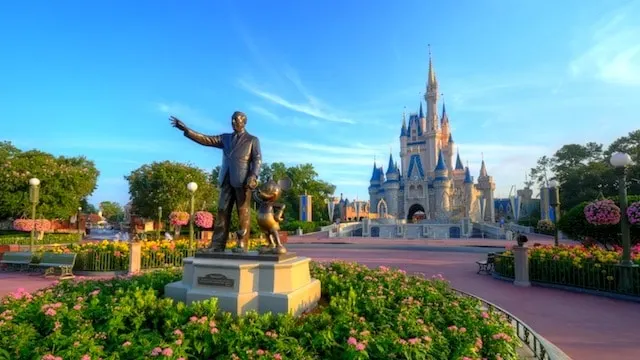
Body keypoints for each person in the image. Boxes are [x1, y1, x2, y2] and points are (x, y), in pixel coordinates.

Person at [170, 111, 262, 252]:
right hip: (226, 179)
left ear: (244, 122)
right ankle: (217, 245)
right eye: (231, 120)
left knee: (243, 212)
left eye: (235, 120)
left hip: (243, 181)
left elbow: (257, 159)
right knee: (222, 210)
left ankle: (242, 244)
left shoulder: (252, 140)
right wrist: (187, 130)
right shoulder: (225, 138)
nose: (232, 123)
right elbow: (206, 139)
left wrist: (253, 175)